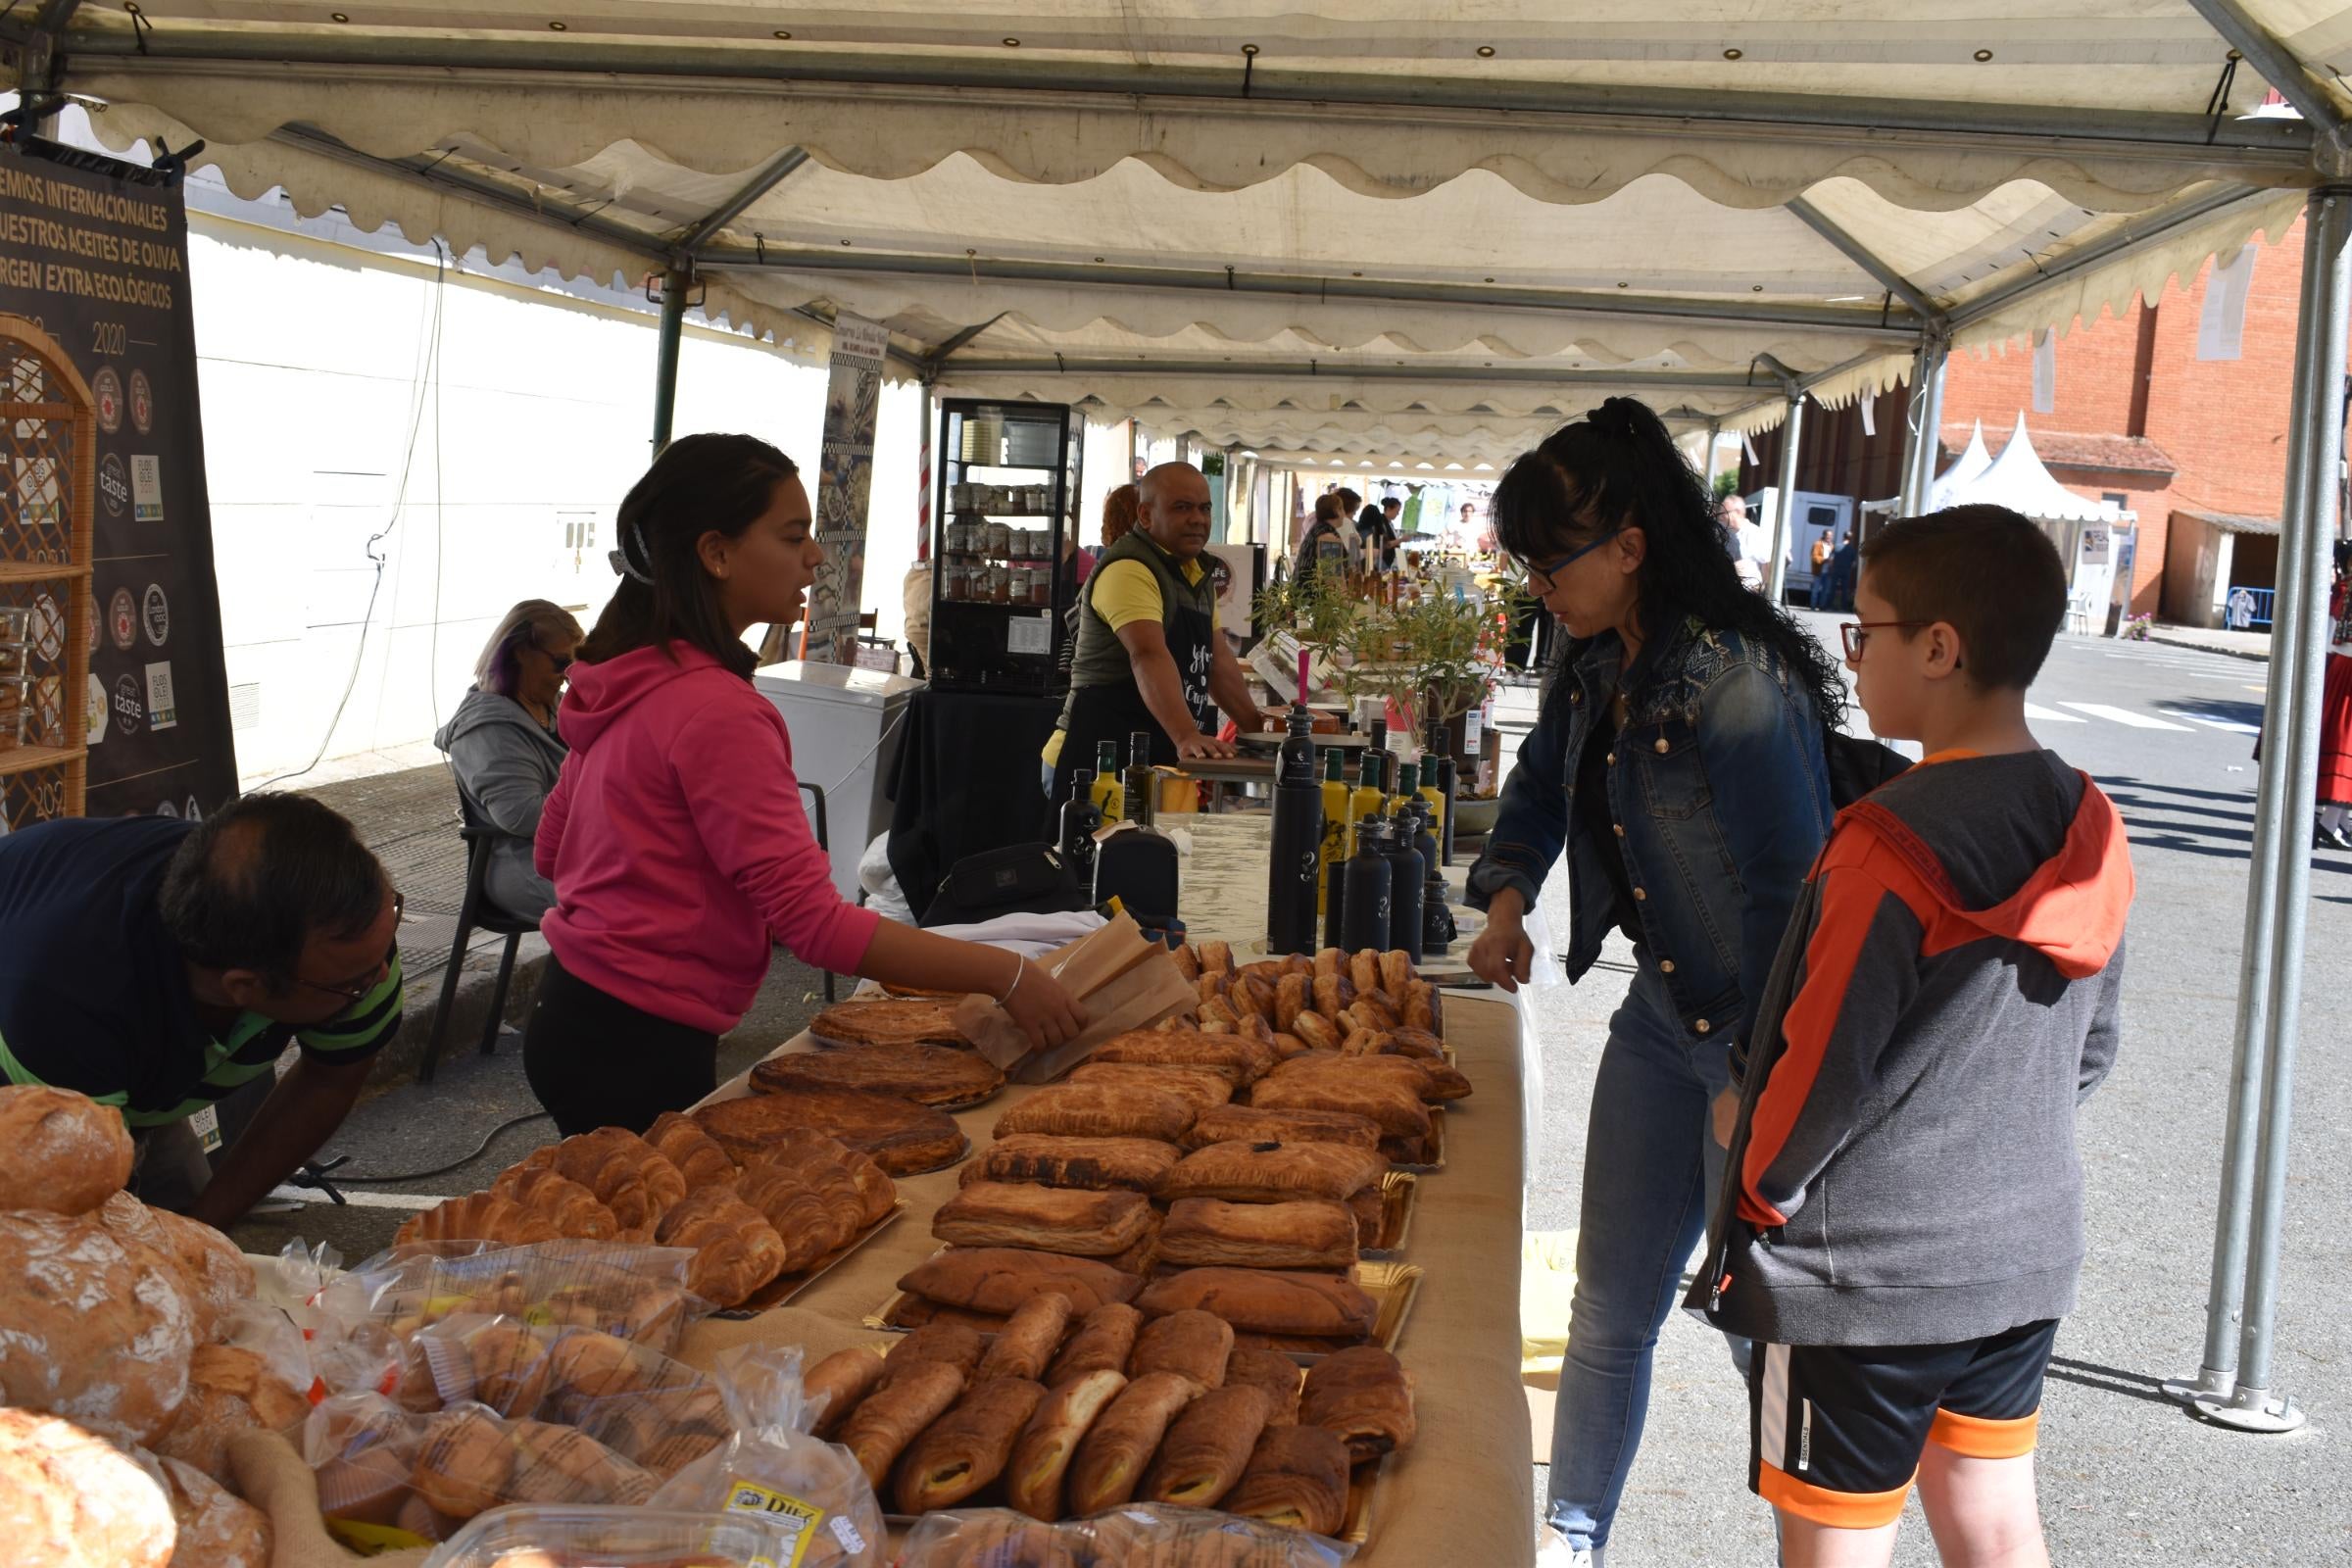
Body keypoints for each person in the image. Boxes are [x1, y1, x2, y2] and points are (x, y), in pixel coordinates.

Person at [1694, 505, 2131, 1568]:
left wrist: (1751, 1178)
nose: (1853, 655)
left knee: (1837, 1545)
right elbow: (2091, 1050)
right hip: (2019, 1251)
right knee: (1993, 1523)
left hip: (1859, 1279)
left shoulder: (1881, 847)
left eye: (1866, 630)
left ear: (1940, 647)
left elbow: (1818, 1071)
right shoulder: (2093, 822)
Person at [1463, 396, 1840, 1560]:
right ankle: (1571, 1541)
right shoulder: (1592, 659)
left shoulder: (1734, 685)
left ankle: (1829, 1531)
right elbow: (1535, 785)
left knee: (1763, 1329)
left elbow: (1799, 897)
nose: (1539, 585)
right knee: (1606, 1313)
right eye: (1526, 561)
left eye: (1551, 559)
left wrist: (1759, 1079)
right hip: (1656, 1020)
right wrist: (1511, 896)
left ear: (1630, 546)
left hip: (1751, 1040)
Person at [528, 433, 1085, 1136]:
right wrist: (1006, 975)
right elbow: (814, 926)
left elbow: (551, 851)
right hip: (637, 1043)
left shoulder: (624, 678)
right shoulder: (714, 709)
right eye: (794, 537)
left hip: (574, 1010)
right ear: (716, 552)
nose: (816, 556)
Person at [0, 794, 403, 1227]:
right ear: (244, 987)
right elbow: (75, 1212)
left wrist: (203, 1228)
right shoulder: (68, 1002)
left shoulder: (348, 937)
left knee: (188, 1240)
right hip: (30, 1051)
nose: (380, 977)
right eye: (355, 983)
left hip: (109, 1033)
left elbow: (328, 1082)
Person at [1041, 462, 1268, 798]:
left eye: (1204, 508)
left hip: (1151, 753)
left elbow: (1218, 662)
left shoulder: (1197, 573)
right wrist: (1186, 735)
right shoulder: (1130, 568)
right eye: (1182, 507)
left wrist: (1257, 733)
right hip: (1094, 756)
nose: (1198, 518)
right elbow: (1146, 655)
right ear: (1145, 516)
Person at [435, 599, 584, 919]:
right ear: (520, 653)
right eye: (560, 663)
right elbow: (521, 816)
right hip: (520, 864)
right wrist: (601, 796)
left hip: (574, 850)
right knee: (628, 902)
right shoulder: (487, 728)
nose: (568, 675)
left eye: (574, 664)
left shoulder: (553, 704)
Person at [2316, 542, 2352, 849]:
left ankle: (2335, 820)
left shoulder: (2344, 589)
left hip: (2341, 665)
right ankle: (2331, 821)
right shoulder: (2343, 591)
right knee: (2344, 746)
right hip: (2346, 666)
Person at [1297, 492, 1356, 582]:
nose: (1344, 514)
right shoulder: (1328, 538)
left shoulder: (1318, 529)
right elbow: (1332, 581)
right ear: (1337, 510)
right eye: (1342, 508)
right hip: (1312, 595)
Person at [1721, 493, 1765, 591]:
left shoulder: (1755, 534)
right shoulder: (1722, 532)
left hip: (1749, 591)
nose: (1721, 516)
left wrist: (1764, 589)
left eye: (1724, 512)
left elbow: (1767, 563)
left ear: (1738, 512)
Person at [1808, 528, 1835, 609]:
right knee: (1815, 590)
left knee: (1825, 591)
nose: (1830, 537)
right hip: (1818, 571)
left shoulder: (1832, 546)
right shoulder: (1817, 544)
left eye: (1831, 536)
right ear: (1824, 535)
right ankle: (1813, 606)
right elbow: (1814, 557)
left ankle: (1822, 606)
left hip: (1828, 572)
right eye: (1828, 536)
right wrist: (1824, 560)